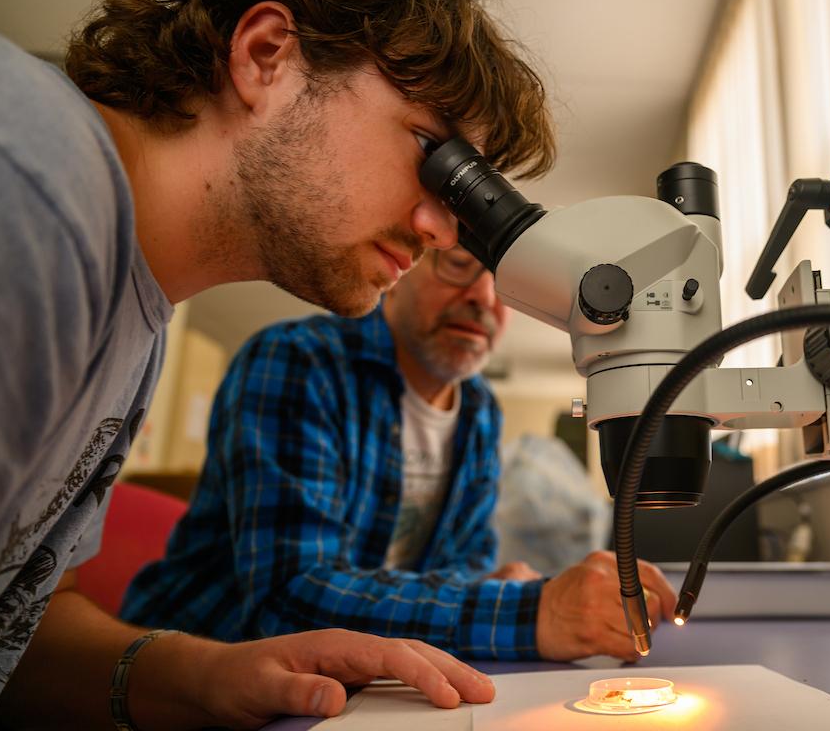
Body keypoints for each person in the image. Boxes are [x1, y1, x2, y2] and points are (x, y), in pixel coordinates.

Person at [0, 0, 558, 727]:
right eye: (431, 152)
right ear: (266, 56)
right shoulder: (23, 180)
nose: (438, 228)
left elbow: (11, 634)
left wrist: (206, 676)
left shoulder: (137, 327)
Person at [119, 245, 677, 663]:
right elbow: (289, 600)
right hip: (188, 673)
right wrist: (533, 612)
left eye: (503, 285)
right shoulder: (299, 363)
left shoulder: (479, 411)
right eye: (459, 265)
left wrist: (485, 586)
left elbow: (460, 564)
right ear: (400, 267)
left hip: (356, 681)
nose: (483, 297)